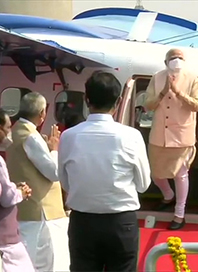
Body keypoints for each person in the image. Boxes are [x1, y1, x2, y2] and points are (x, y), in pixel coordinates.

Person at [58, 71, 151, 272]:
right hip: (121, 222)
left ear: (86, 99)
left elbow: (65, 182)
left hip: (83, 222)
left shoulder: (69, 136)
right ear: (118, 102)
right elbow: (143, 184)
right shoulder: (131, 136)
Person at [6, 92, 66, 272]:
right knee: (45, 262)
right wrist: (55, 149)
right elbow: (54, 172)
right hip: (41, 210)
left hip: (25, 208)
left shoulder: (16, 131)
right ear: (42, 113)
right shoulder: (31, 136)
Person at [144, 48, 198, 230]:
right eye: (173, 58)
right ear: (165, 61)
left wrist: (178, 92)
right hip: (159, 135)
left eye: (180, 58)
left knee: (180, 174)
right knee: (155, 173)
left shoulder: (192, 79)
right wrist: (162, 93)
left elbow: (197, 105)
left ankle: (179, 214)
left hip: (181, 136)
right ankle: (168, 195)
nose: (176, 60)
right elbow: (147, 106)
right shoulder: (157, 77)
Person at [0, 109, 35, 272]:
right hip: (5, 240)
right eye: (7, 128)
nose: (10, 132)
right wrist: (21, 192)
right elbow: (6, 197)